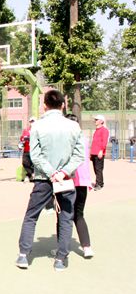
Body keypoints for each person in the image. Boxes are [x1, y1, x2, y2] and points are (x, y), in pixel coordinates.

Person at [16, 89, 84, 272]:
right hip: (66, 180)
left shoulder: (37, 126)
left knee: (31, 216)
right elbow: (79, 155)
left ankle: (23, 255)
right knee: (66, 217)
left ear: (44, 106)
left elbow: (35, 155)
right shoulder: (74, 126)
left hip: (43, 179)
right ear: (63, 105)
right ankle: (61, 258)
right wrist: (63, 172)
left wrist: (51, 172)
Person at [57, 114, 94, 258]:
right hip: (83, 181)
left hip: (68, 181)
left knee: (63, 215)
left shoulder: (65, 139)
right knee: (79, 214)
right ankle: (87, 247)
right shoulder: (84, 139)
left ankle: (62, 249)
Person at [90, 114, 109, 190]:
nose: (95, 121)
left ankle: (99, 184)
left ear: (101, 121)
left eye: (96, 120)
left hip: (99, 153)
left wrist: (101, 150)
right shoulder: (96, 130)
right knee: (95, 168)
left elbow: (104, 142)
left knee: (98, 169)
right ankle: (98, 182)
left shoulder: (104, 130)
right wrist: (91, 153)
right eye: (95, 119)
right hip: (94, 152)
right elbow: (94, 142)